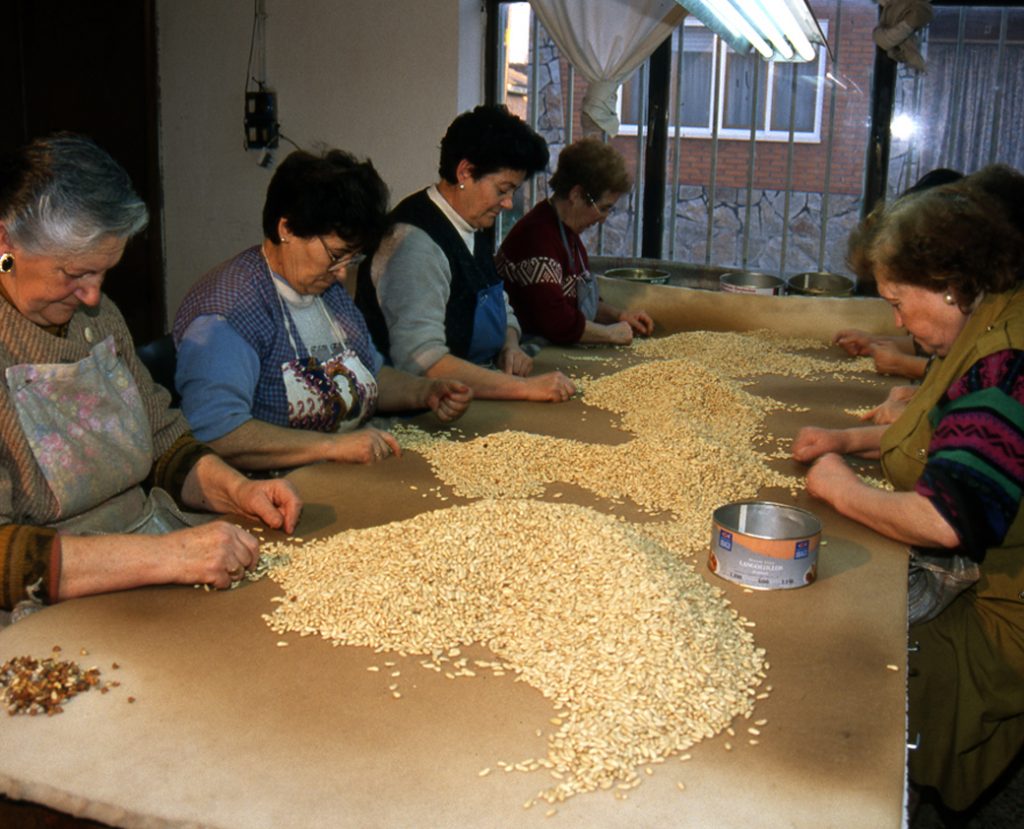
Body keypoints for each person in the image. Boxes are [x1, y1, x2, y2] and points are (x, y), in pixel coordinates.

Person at [791, 166, 1024, 813]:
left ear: (948, 284)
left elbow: (946, 520)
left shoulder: (1003, 358)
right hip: (987, 575)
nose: (895, 318)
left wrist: (839, 488)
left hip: (1002, 608)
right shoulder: (983, 320)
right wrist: (849, 440)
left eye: (897, 301)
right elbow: (940, 427)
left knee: (848, 672)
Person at [0, 134, 302, 622]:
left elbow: (162, 441)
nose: (93, 296)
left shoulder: (99, 318)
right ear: (5, 243)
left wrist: (237, 490)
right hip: (45, 612)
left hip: (145, 553)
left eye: (103, 273)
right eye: (74, 274)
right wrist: (173, 556)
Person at [173, 149, 472, 473]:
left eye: (352, 259)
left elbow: (368, 373)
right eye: (336, 256)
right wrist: (333, 447)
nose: (342, 273)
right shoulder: (228, 312)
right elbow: (217, 434)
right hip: (273, 485)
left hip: (344, 470)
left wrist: (425, 392)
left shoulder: (324, 291)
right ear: (287, 228)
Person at [356, 104, 576, 403]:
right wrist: (525, 389)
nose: (508, 203)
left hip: (476, 385)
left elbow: (499, 302)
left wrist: (510, 345)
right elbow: (422, 361)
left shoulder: (472, 223)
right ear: (465, 172)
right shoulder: (414, 243)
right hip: (423, 408)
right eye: (502, 189)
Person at [496, 138, 653, 346]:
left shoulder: (568, 233)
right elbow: (556, 321)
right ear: (576, 195)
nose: (603, 219)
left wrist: (620, 316)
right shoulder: (537, 238)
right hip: (527, 348)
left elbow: (579, 302)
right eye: (602, 208)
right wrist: (609, 335)